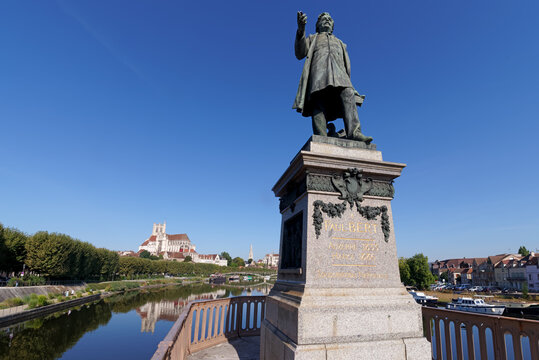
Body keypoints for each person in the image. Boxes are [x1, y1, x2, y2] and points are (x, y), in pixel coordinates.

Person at [293, 12, 372, 144]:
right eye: (324, 19)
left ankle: (354, 132)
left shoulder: (341, 43)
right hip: (319, 74)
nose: (327, 21)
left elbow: (346, 66)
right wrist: (301, 30)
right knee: (318, 100)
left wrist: (352, 85)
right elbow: (300, 53)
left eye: (330, 20)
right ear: (317, 25)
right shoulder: (313, 38)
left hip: (340, 76)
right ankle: (321, 135)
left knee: (348, 94)